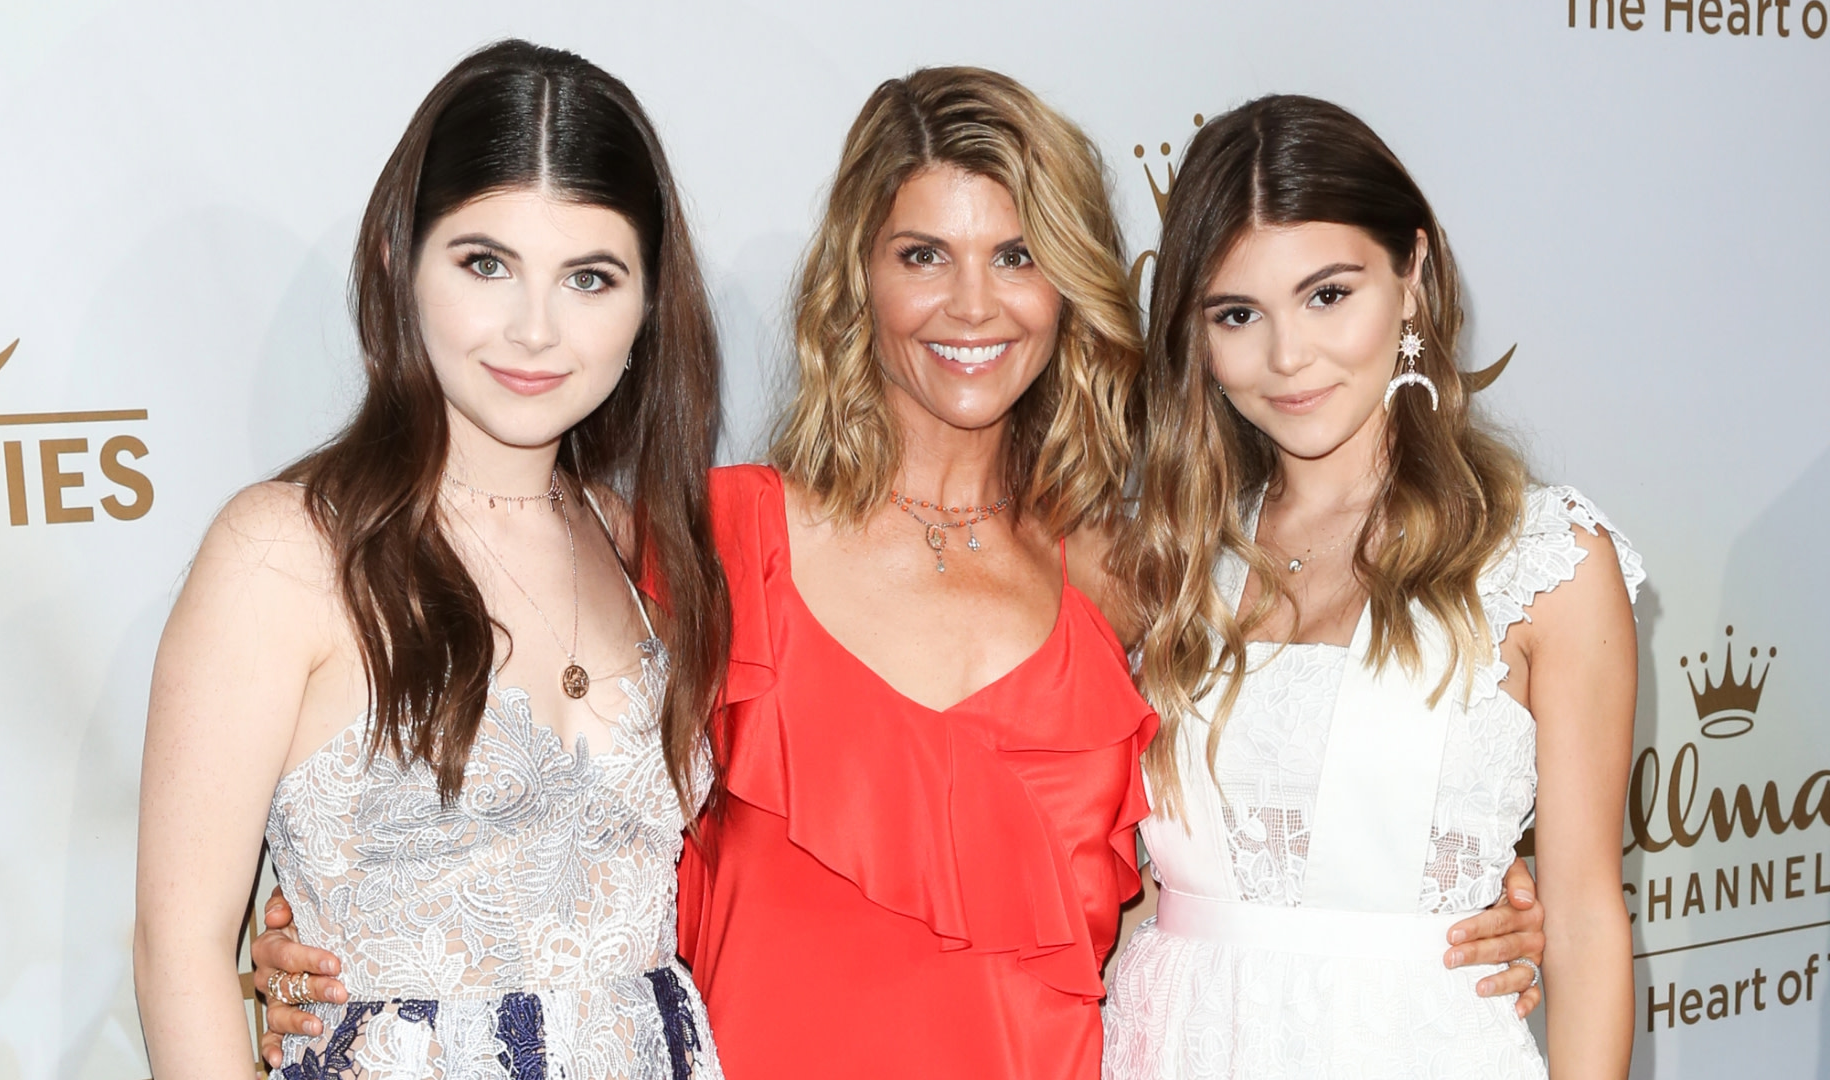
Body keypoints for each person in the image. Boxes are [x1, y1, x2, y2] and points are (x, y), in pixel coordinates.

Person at [253, 69, 1550, 1079]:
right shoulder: (709, 543)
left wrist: (1472, 900)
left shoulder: (1136, 572)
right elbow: (511, 796)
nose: (971, 305)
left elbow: (1275, 813)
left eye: (1018, 255)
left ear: (1071, 291)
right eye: (923, 253)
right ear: (856, 281)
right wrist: (320, 933)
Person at [133, 41, 730, 1080]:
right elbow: (179, 952)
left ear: (648, 306)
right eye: (485, 263)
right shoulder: (286, 551)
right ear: (401, 262)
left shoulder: (647, 543)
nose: (535, 329)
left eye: (590, 277)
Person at [1100, 94, 1640, 1079]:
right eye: (1237, 314)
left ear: (1414, 275)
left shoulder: (1544, 560)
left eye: (1328, 295)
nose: (1287, 357)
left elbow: (1588, 923)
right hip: (1164, 1045)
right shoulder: (1163, 557)